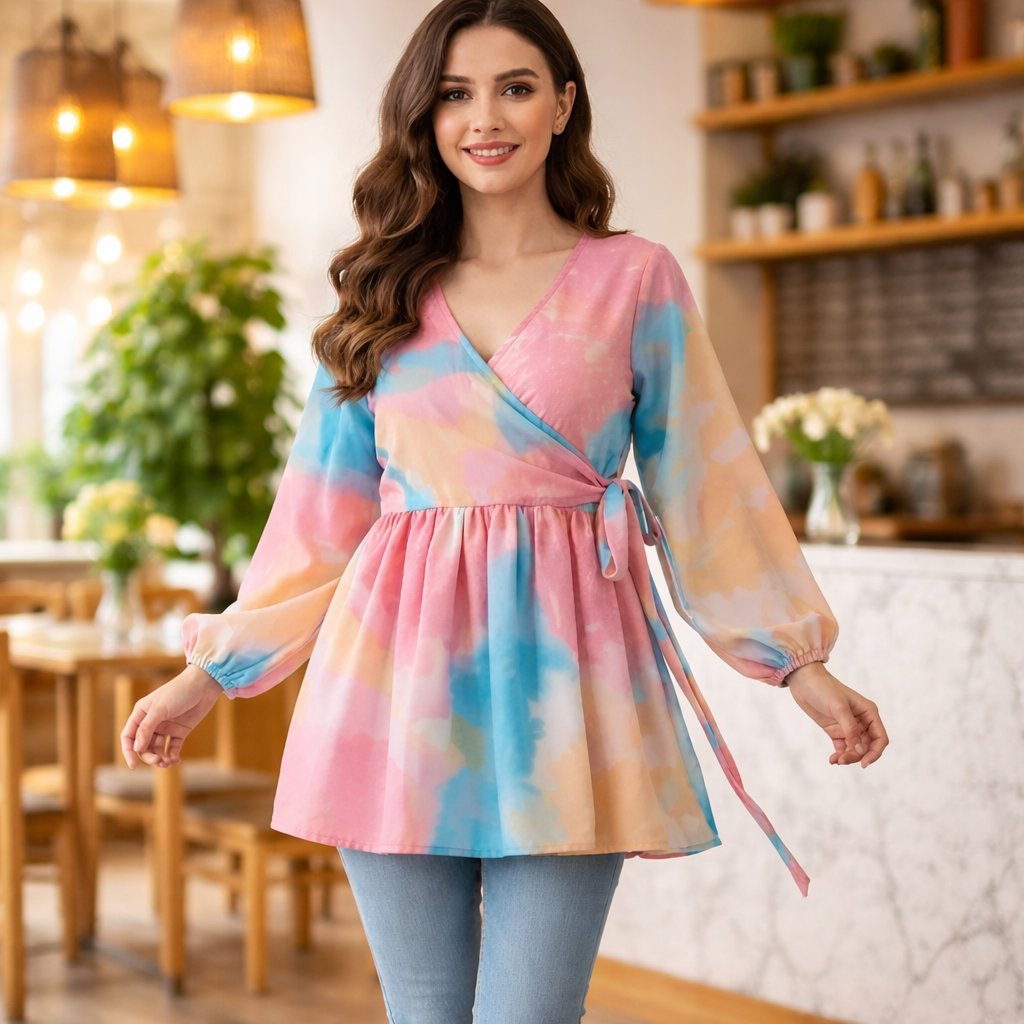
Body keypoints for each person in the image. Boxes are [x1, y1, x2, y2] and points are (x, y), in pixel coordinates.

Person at [121, 2, 889, 1021]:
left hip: (574, 706)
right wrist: (207, 675)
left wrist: (798, 659)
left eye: (515, 86)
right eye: (454, 92)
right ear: (424, 117)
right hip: (391, 697)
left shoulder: (634, 280)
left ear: (563, 104)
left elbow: (709, 485)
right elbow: (316, 523)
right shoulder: (378, 300)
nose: (485, 117)